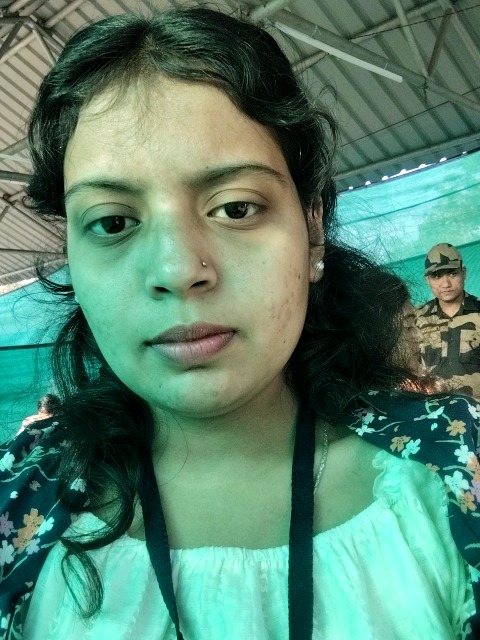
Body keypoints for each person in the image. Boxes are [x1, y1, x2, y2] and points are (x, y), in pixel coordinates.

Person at [0, 8, 480, 640]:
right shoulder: (22, 491)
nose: (177, 270)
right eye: (113, 222)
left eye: (234, 208)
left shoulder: (453, 471)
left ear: (311, 229)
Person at [416, 242, 480, 400]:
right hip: (436, 410)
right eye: (436, 276)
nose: (446, 284)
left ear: (463, 273)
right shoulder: (416, 319)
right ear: (427, 280)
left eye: (452, 273)